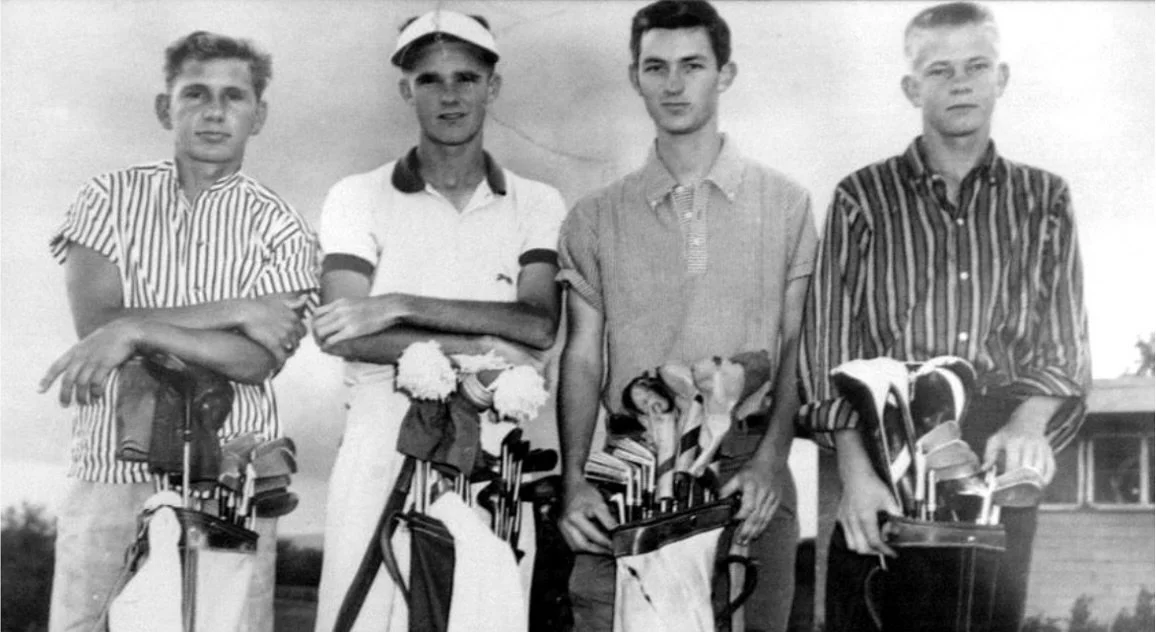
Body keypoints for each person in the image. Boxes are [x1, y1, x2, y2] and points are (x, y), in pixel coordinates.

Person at [797, 3, 1092, 630]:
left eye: (976, 65)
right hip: (881, 451)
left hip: (996, 448)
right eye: (940, 69)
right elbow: (826, 348)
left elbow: (1064, 348)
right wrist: (855, 475)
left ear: (1001, 78)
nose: (960, 82)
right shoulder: (861, 199)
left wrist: (1029, 421)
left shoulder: (1045, 200)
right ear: (912, 87)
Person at [37, 31, 319, 632]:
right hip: (111, 471)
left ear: (258, 114)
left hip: (234, 481)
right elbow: (97, 324)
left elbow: (253, 361)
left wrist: (138, 326)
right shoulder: (107, 198)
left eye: (233, 97)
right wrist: (239, 306)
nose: (214, 112)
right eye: (195, 93)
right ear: (166, 107)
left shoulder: (285, 227)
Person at [555, 1, 818, 629]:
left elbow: (796, 345)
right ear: (635, 77)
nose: (673, 84)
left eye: (692, 66)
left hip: (744, 476)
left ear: (724, 75)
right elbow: (583, 355)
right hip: (632, 471)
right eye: (656, 67)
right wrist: (574, 481)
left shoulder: (784, 204)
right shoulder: (594, 217)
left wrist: (769, 462)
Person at [310, 10, 567, 631]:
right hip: (379, 447)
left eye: (466, 78)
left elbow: (536, 325)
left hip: (493, 454)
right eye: (429, 79)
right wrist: (481, 341)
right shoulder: (356, 195)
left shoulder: (538, 202)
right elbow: (346, 330)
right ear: (406, 89)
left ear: (492, 87)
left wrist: (400, 303)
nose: (449, 95)